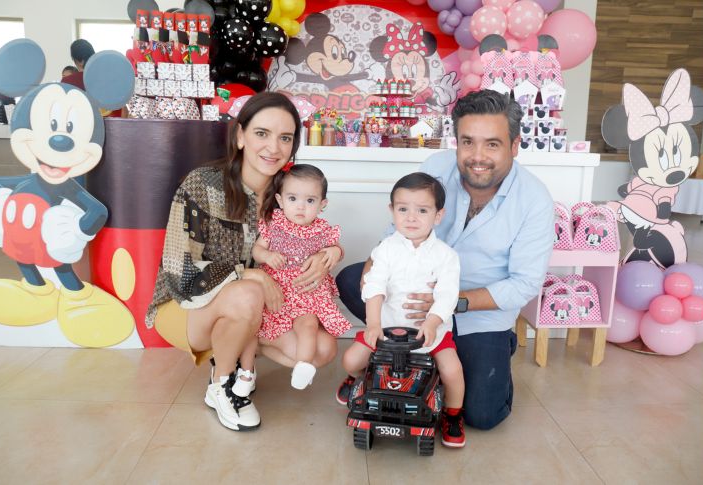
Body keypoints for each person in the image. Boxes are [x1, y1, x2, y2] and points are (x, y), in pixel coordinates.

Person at [335, 89, 555, 430]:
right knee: (351, 280)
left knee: (482, 416)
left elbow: (523, 284)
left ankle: (491, 350)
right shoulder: (435, 168)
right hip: (408, 296)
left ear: (514, 146)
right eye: (468, 142)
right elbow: (397, 226)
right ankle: (403, 353)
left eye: (492, 144)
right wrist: (372, 267)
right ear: (457, 141)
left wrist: (450, 303)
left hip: (478, 311)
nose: (477, 156)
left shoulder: (535, 199)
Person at [145, 92, 339, 432]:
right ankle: (223, 386)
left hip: (256, 308)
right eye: (261, 133)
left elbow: (318, 234)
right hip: (185, 304)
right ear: (240, 136)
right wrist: (251, 275)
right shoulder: (204, 184)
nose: (273, 147)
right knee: (249, 292)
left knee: (321, 349)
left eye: (285, 138)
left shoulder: (288, 193)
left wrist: (332, 254)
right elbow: (181, 271)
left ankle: (234, 355)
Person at [336, 172, 467, 448]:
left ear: (438, 215)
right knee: (350, 359)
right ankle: (357, 380)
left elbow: (446, 296)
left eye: (422, 210)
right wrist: (373, 325)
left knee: (452, 371)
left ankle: (453, 415)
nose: (411, 217)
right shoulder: (385, 250)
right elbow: (374, 287)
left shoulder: (447, 257)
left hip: (432, 332)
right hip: (387, 328)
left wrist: (431, 323)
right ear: (391, 211)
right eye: (403, 209)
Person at [235, 163, 350, 395]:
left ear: (322, 204)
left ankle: (304, 365)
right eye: (293, 198)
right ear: (279, 200)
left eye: (310, 201)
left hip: (306, 292)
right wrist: (267, 255)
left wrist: (334, 251)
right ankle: (245, 372)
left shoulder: (322, 229)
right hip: (276, 289)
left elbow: (334, 248)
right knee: (254, 326)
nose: (300, 207)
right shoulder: (273, 225)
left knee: (307, 324)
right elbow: (257, 250)